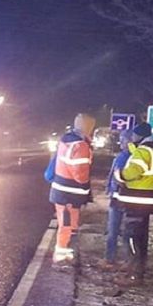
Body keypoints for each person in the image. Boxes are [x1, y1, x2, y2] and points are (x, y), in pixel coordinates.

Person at [115, 122, 153, 284]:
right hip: (147, 201)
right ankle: (137, 269)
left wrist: (118, 174)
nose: (133, 137)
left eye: (135, 135)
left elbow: (131, 173)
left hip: (136, 202)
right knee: (141, 239)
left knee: (132, 238)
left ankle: (134, 275)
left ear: (141, 136)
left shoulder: (143, 152)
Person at [47, 113, 95, 264]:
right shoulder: (80, 146)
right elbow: (80, 173)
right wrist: (86, 186)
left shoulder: (67, 140)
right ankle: (61, 255)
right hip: (69, 193)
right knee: (67, 224)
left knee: (68, 223)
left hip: (63, 191)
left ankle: (65, 252)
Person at [104, 129, 134, 268]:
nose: (121, 143)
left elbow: (118, 176)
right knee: (126, 231)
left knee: (114, 230)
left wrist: (111, 188)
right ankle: (127, 261)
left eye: (124, 140)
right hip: (123, 198)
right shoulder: (130, 156)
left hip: (119, 199)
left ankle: (110, 259)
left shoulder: (125, 156)